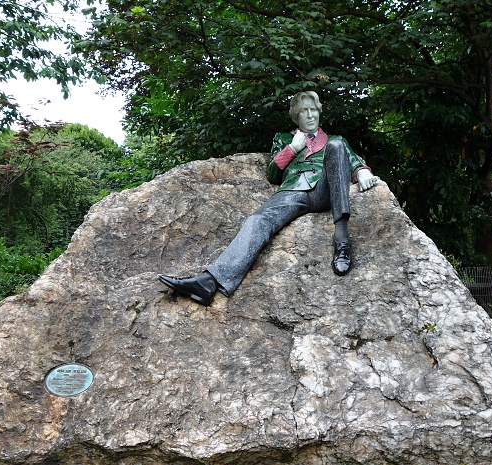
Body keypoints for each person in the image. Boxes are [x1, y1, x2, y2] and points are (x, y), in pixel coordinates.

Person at [159, 91, 378, 306]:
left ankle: (341, 240)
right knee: (257, 220)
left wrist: (361, 171)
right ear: (296, 116)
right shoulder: (283, 139)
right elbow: (273, 173)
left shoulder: (335, 140)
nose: (310, 115)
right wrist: (293, 148)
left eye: (314, 110)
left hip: (324, 189)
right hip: (292, 192)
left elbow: (350, 161)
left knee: (337, 147)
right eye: (304, 111)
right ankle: (209, 282)